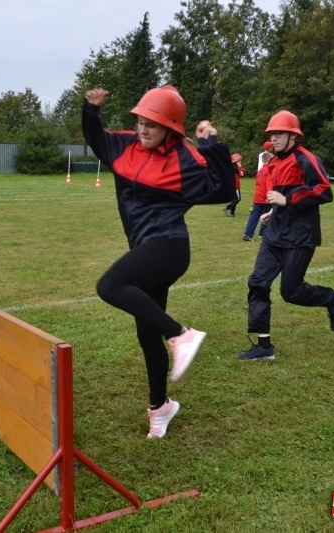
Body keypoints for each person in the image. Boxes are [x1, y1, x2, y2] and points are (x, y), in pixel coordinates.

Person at [82, 85, 233, 439]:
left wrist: (213, 146)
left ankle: (181, 335)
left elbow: (225, 189)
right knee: (146, 335)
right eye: (141, 121)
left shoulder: (184, 158)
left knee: (110, 285)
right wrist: (90, 110)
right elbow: (95, 137)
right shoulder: (123, 146)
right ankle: (160, 407)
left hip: (169, 247)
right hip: (142, 248)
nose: (144, 129)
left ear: (171, 127)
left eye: (153, 123)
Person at [237, 110, 334, 361]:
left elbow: (324, 191)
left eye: (279, 133)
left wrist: (287, 200)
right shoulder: (274, 162)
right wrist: (274, 211)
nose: (273, 138)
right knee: (257, 283)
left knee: (291, 292)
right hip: (275, 234)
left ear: (293, 136)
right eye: (271, 134)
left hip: (300, 236)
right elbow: (282, 197)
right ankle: (264, 346)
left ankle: (332, 300)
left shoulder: (307, 159)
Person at [243, 150, 274, 241]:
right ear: (269, 159)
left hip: (258, 197)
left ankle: (248, 234)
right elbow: (269, 184)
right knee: (268, 216)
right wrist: (269, 196)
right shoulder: (269, 170)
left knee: (254, 216)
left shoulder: (260, 170)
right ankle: (263, 233)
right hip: (265, 198)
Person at [222, 152, 244, 217]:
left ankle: (232, 213)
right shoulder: (235, 167)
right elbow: (242, 174)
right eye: (239, 160)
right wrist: (240, 167)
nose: (240, 161)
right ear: (237, 160)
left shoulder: (231, 166)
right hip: (235, 186)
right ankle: (227, 208)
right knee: (237, 199)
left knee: (234, 199)